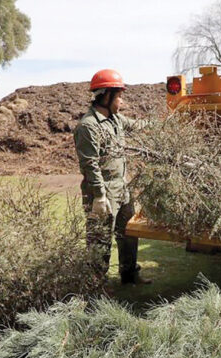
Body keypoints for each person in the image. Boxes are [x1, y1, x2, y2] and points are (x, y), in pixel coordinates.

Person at [74, 69, 151, 285]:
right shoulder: (88, 126)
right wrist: (99, 196)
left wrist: (166, 124)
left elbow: (138, 126)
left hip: (122, 189)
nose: (122, 101)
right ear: (106, 95)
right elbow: (90, 164)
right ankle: (95, 285)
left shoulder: (115, 119)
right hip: (103, 192)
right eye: (119, 96)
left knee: (128, 233)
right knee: (100, 241)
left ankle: (130, 275)